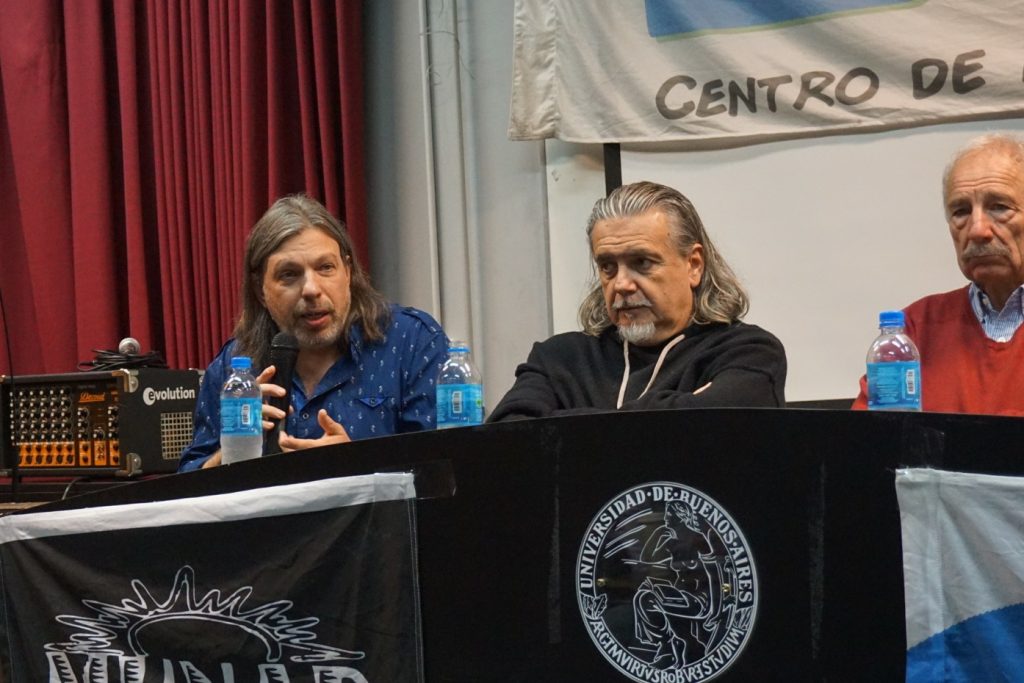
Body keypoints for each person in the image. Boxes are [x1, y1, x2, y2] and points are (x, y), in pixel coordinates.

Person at [178, 195, 448, 471]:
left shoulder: (411, 342)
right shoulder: (233, 366)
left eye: (325, 268)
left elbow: (450, 467)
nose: (311, 289)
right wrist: (232, 452)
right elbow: (187, 485)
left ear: (348, 272)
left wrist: (356, 465)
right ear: (261, 291)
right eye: (289, 274)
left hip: (380, 515)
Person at [488, 181, 786, 421]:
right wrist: (681, 407)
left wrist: (558, 421)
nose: (621, 284)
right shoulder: (558, 359)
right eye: (607, 266)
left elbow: (715, 430)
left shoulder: (748, 352)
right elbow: (509, 442)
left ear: (693, 265)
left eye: (642, 262)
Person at [852, 134, 1024, 414]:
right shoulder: (913, 330)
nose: (977, 229)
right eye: (960, 211)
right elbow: (867, 446)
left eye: (999, 207)